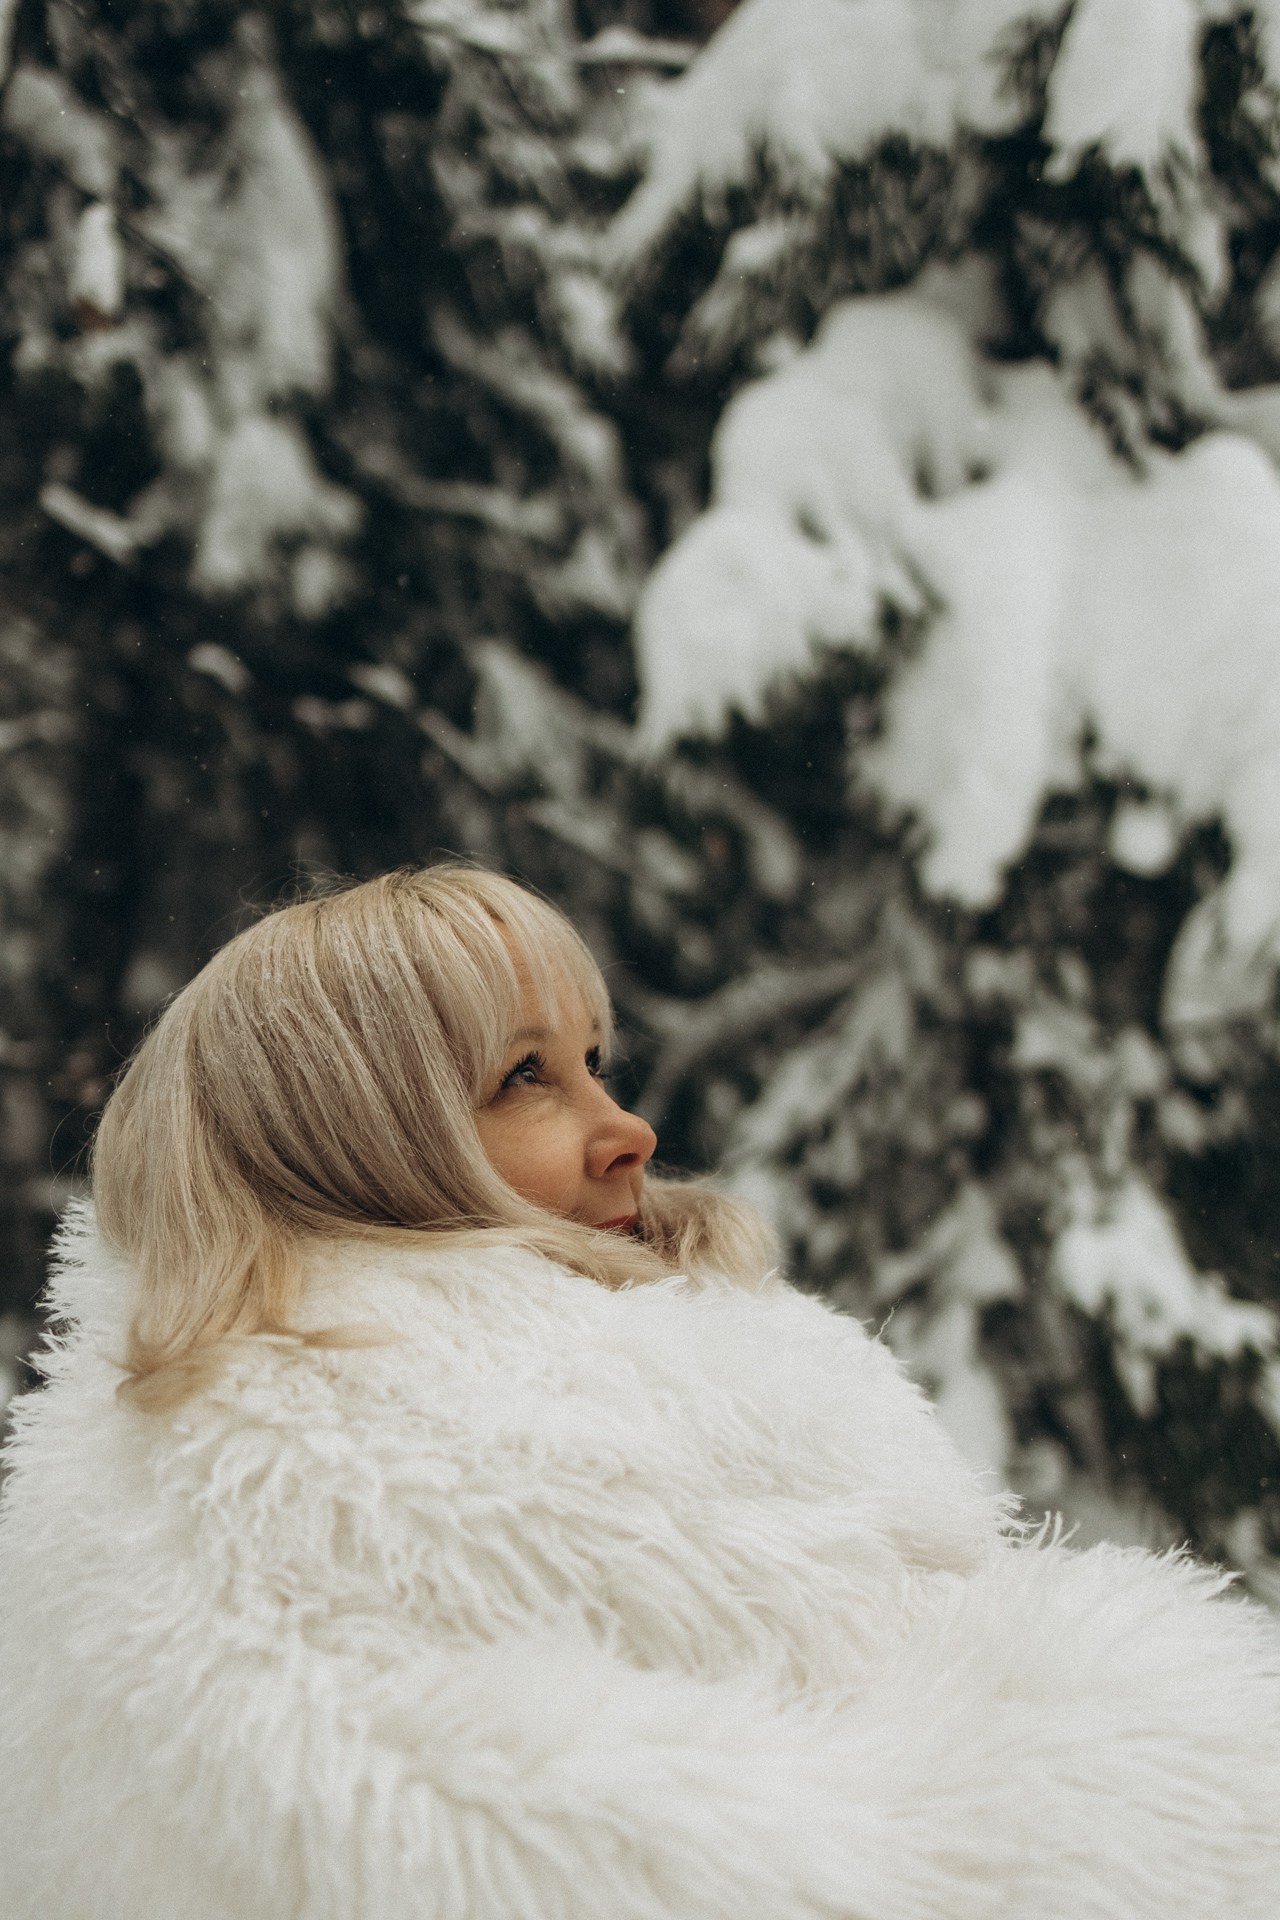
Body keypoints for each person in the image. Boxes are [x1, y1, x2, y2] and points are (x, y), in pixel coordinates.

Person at [0, 864, 1277, 1920]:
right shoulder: (369, 1463)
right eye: (525, 1077)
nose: (627, 1128)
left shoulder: (226, 1436)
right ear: (356, 1145)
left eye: (597, 1061)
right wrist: (1156, 1749)